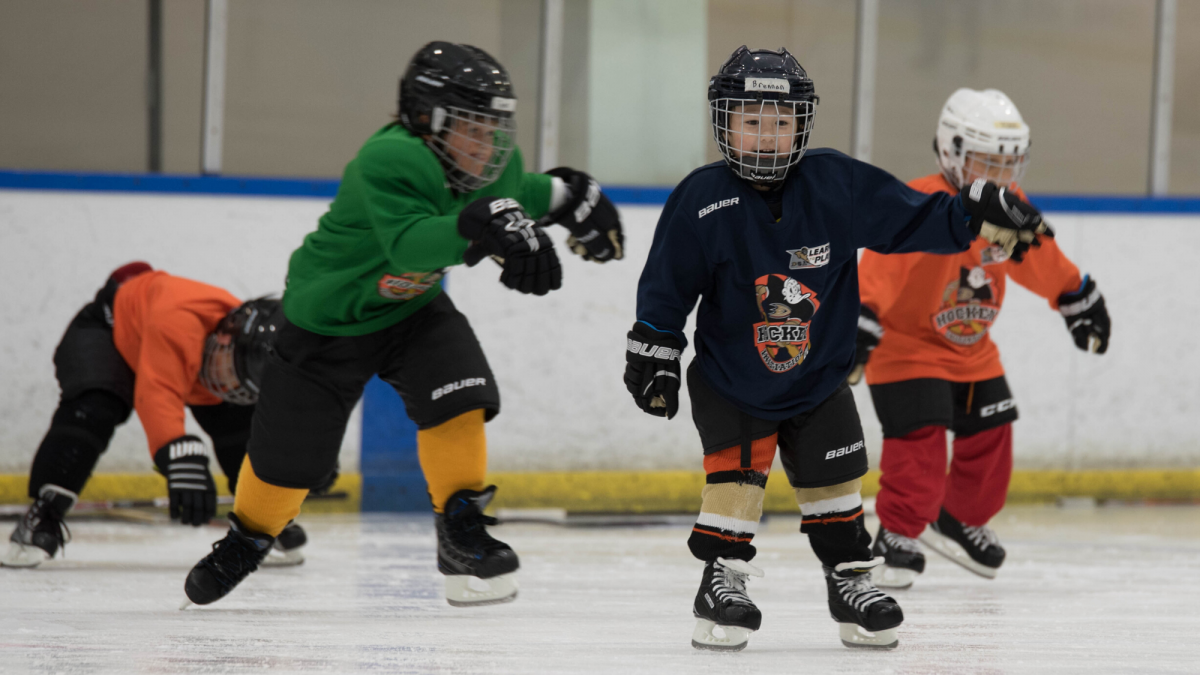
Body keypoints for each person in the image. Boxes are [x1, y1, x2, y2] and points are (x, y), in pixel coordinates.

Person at [625, 47, 1049, 652]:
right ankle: (721, 578)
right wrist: (653, 351)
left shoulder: (834, 183)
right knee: (737, 480)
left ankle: (850, 581)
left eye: (780, 121)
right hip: (731, 375)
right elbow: (667, 287)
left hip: (819, 375)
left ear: (802, 124)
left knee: (836, 480)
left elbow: (911, 218)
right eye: (751, 120)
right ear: (723, 121)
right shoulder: (701, 199)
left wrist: (970, 213)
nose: (767, 136)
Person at [182, 41, 623, 608]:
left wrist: (572, 196)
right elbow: (410, 242)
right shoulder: (389, 158)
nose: (488, 145)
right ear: (426, 120)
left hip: (410, 311)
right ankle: (248, 538)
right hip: (327, 319)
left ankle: (461, 531)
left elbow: (519, 192)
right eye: (473, 127)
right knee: (290, 463)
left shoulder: (490, 165)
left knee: (462, 395)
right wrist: (483, 223)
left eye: (494, 129)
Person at [852, 88, 1110, 589]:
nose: (1000, 178)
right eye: (986, 163)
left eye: (1009, 165)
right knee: (920, 443)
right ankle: (898, 534)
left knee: (993, 433)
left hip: (972, 350)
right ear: (951, 152)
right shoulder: (921, 201)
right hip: (906, 349)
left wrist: (1075, 297)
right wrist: (861, 316)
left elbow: (1040, 257)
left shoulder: (1010, 208)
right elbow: (881, 263)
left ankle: (960, 517)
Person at [1, 263, 307, 568]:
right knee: (95, 406)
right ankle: (42, 515)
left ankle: (258, 523)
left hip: (180, 344)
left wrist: (302, 457)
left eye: (239, 383)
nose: (226, 383)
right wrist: (177, 452)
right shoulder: (176, 322)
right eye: (231, 368)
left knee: (238, 423)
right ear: (228, 331)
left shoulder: (235, 343)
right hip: (108, 331)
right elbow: (157, 393)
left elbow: (272, 409)